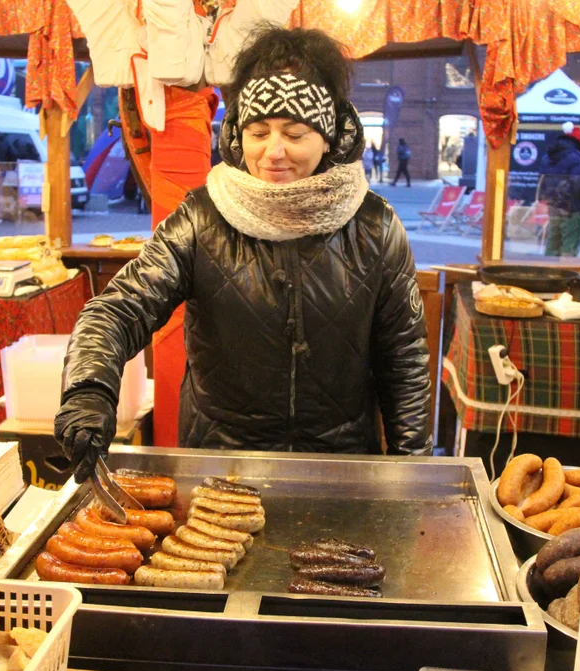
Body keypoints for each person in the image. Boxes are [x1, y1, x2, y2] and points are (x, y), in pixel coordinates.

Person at [54, 26, 433, 483]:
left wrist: (414, 476)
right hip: (220, 470)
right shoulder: (201, 218)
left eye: (294, 133)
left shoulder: (375, 225)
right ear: (237, 133)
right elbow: (118, 310)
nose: (273, 152)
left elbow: (404, 358)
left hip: (341, 470)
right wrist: (89, 390)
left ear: (330, 136)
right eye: (258, 131)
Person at [539, 122, 580, 257]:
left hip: (553, 207)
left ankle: (547, 273)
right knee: (569, 247)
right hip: (571, 208)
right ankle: (566, 273)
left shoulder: (548, 156)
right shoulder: (576, 158)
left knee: (552, 244)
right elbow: (579, 185)